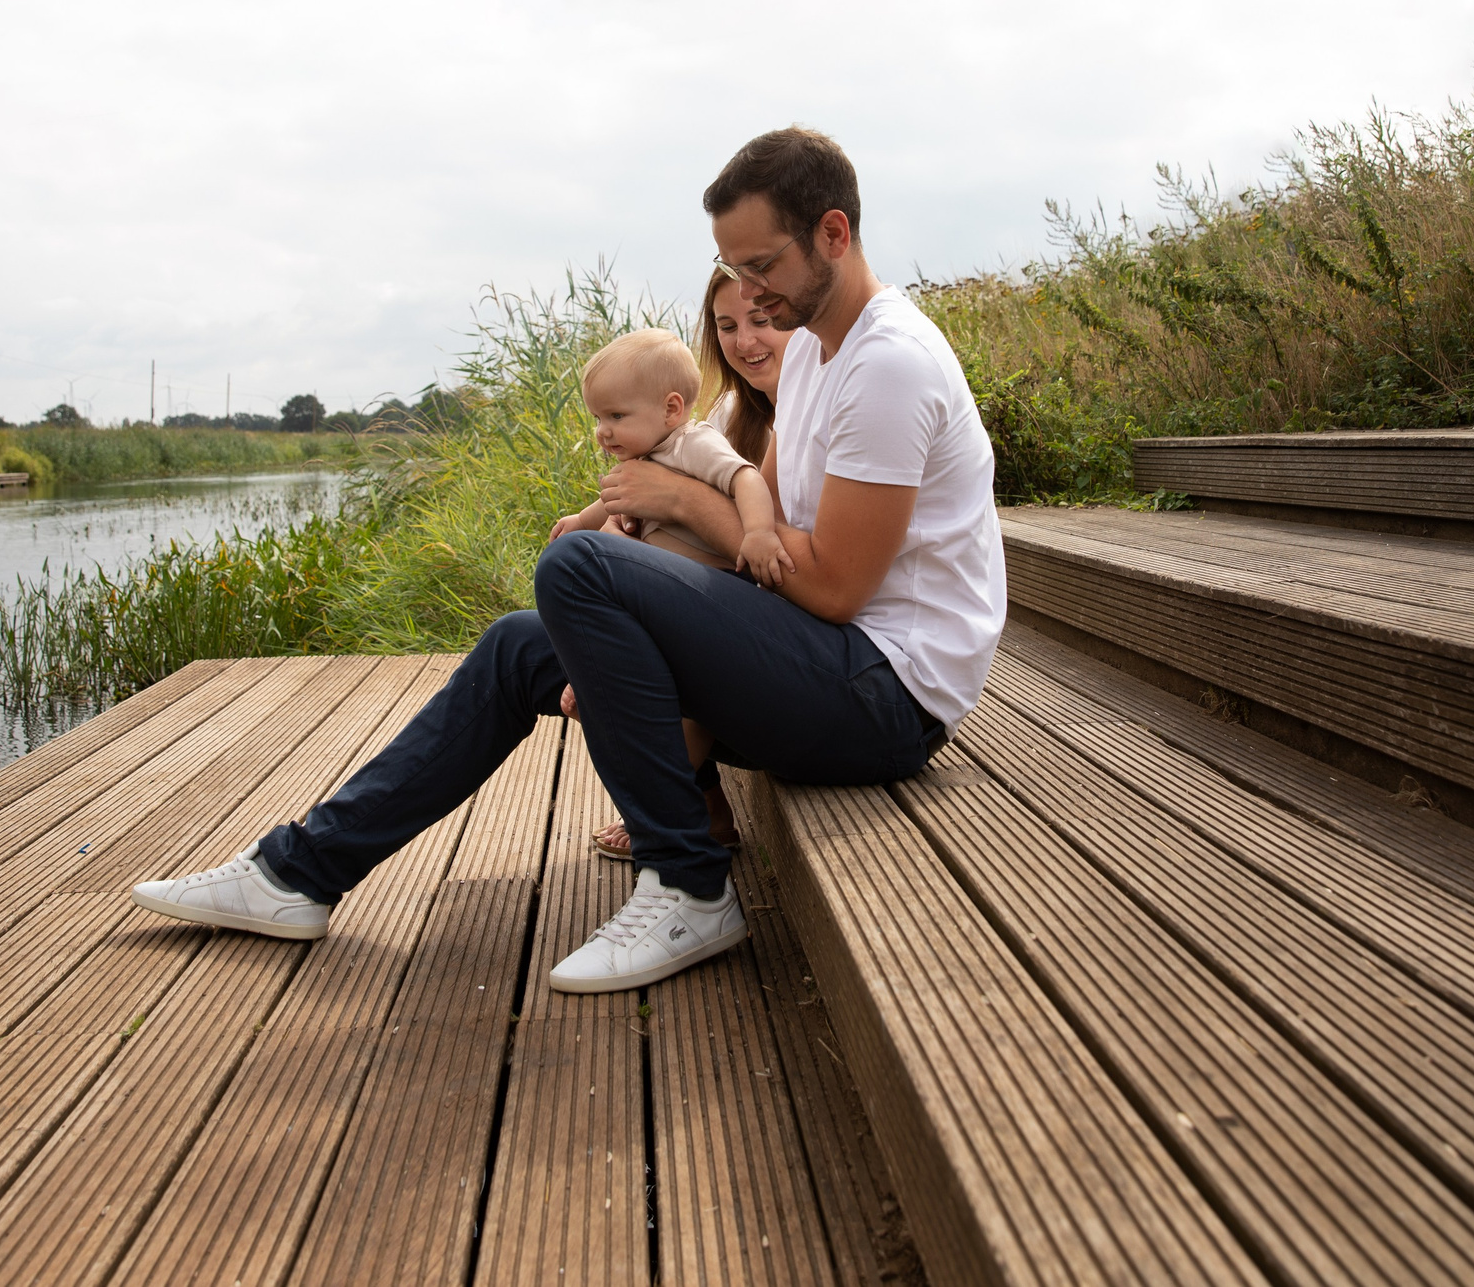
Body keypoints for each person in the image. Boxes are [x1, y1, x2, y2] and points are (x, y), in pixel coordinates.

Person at [131, 126, 1005, 995]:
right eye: (733, 271)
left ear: (833, 234)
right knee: (523, 644)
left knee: (577, 570)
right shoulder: (815, 349)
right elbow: (761, 523)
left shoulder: (889, 364)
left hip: (884, 695)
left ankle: (691, 884)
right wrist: (620, 647)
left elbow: (840, 588)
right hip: (820, 656)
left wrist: (675, 504)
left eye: (763, 266)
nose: (749, 293)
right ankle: (298, 871)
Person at [587, 270, 784, 861]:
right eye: (727, 325)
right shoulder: (727, 414)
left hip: (727, 604)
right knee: (552, 630)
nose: (745, 339)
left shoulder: (704, 437)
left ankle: (668, 810)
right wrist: (594, 524)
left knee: (682, 701)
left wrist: (752, 530)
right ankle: (695, 807)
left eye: (763, 319)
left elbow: (743, 492)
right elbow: (618, 497)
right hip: (673, 599)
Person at [549, 327, 790, 585]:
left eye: (616, 416)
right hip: (667, 577)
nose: (602, 431)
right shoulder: (645, 457)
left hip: (717, 580)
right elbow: (611, 501)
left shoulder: (691, 444)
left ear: (670, 409)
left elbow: (746, 478)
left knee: (575, 560)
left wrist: (758, 532)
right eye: (598, 418)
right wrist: (581, 521)